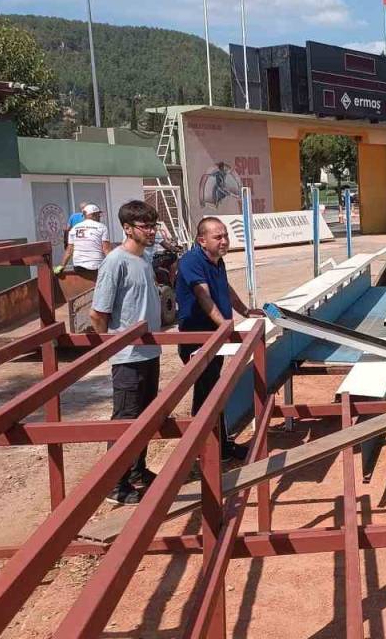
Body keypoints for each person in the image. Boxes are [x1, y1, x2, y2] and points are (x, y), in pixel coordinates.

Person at [90, 200, 163, 505]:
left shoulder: (145, 259)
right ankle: (113, 482)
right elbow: (98, 314)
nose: (151, 231)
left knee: (145, 417)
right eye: (145, 226)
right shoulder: (115, 262)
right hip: (128, 357)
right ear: (127, 228)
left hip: (150, 352)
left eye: (152, 225)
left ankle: (136, 470)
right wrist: (114, 347)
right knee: (125, 418)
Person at [175, 216, 249, 462]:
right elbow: (202, 295)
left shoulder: (217, 261)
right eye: (218, 237)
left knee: (212, 393)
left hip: (216, 338)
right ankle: (207, 449)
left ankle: (216, 446)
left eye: (226, 235)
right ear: (202, 240)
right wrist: (225, 325)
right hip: (199, 340)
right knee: (208, 394)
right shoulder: (191, 262)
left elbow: (224, 288)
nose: (224, 241)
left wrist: (245, 311)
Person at [57, 203, 112, 280]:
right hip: (96, 268)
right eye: (98, 214)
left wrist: (62, 266)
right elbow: (106, 249)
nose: (99, 216)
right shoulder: (102, 227)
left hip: (78, 268)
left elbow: (69, 251)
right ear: (93, 215)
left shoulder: (74, 228)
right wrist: (114, 265)